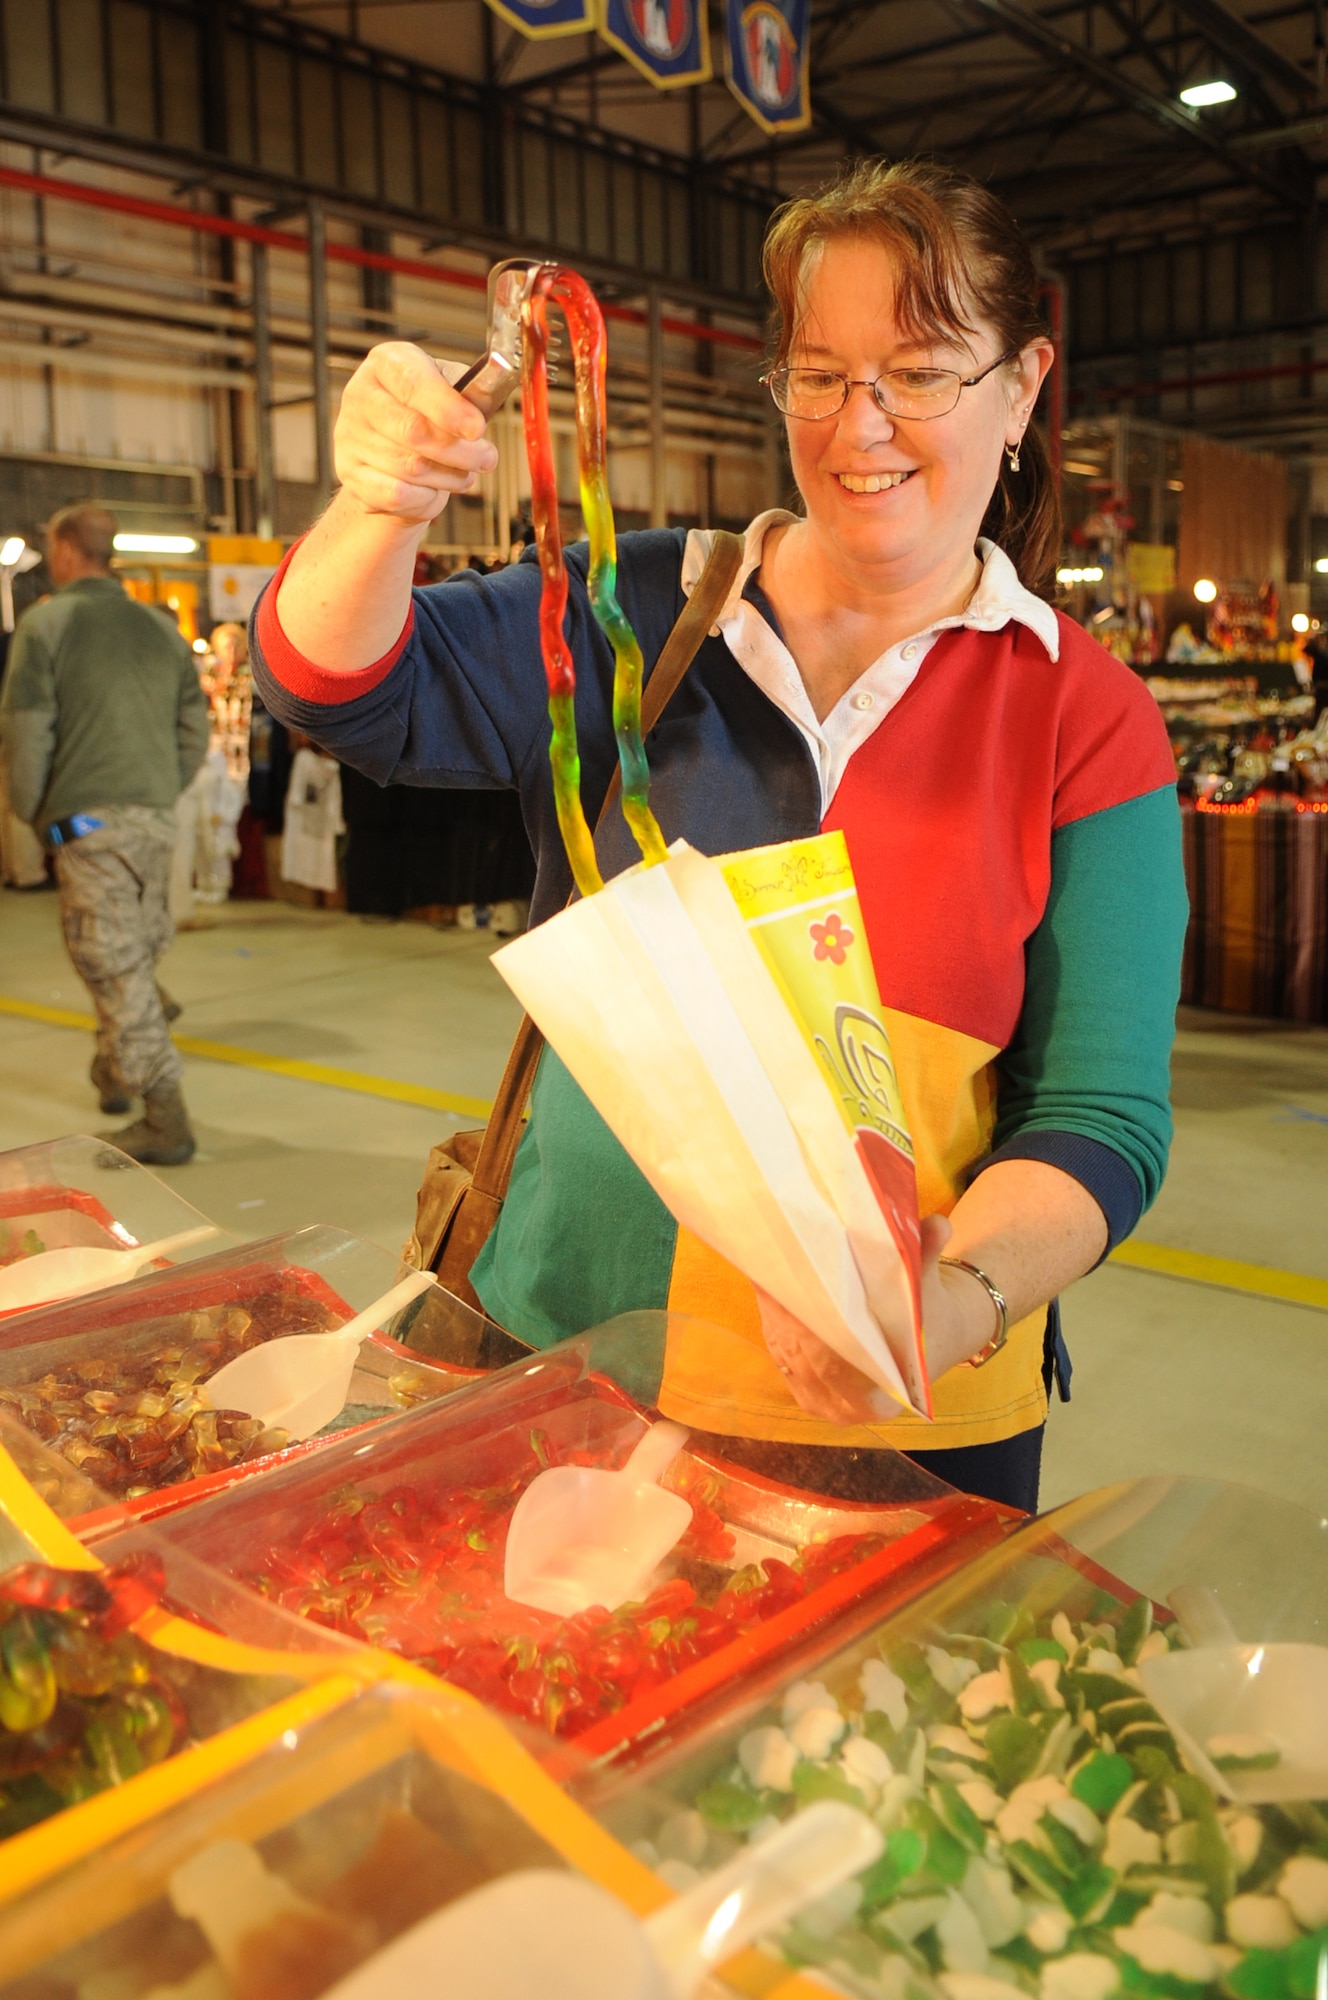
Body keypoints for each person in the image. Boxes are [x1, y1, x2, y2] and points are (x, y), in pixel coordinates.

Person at [250, 160, 1188, 1512]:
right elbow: (333, 685)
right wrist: (382, 502)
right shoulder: (634, 614)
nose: (861, 427)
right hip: (561, 1362)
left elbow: (1098, 1117)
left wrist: (958, 1292)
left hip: (895, 1437)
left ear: (1024, 385)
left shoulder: (1080, 715)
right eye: (821, 375)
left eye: (918, 373)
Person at [0, 502, 209, 1164]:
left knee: (109, 960)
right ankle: (116, 1067)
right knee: (127, 947)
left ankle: (165, 1117)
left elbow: (27, 731)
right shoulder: (161, 629)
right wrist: (154, 791)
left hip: (88, 821)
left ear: (65, 551)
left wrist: (34, 813)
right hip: (153, 816)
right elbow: (195, 731)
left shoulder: (47, 623)